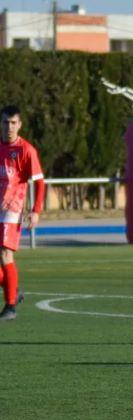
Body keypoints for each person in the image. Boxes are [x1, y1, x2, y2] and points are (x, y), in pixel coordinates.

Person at [0, 105, 45, 322]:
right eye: (6, 122)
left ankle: (10, 307)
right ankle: (13, 290)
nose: (9, 127)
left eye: (13, 123)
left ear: (20, 125)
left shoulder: (26, 150)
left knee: (5, 255)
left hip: (13, 209)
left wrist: (36, 211)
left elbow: (40, 182)